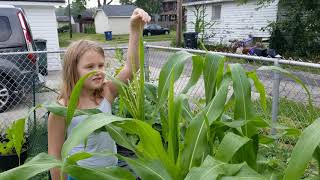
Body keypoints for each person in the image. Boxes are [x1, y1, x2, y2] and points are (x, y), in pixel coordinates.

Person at [48, 8, 151, 180]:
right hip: (80, 176)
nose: (98, 72)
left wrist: (135, 30)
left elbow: (132, 67)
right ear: (72, 70)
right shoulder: (61, 109)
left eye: (101, 65)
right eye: (89, 67)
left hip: (112, 172)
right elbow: (54, 155)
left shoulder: (107, 92)